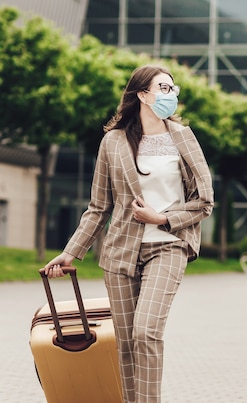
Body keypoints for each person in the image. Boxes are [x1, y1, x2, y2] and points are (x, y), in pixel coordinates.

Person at [44, 65, 214, 403]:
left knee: (146, 332)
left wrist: (162, 219)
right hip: (121, 252)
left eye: (173, 88)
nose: (172, 94)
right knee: (125, 344)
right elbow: (99, 206)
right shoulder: (114, 142)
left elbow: (204, 200)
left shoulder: (182, 136)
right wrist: (70, 251)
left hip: (169, 247)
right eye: (164, 88)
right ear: (142, 95)